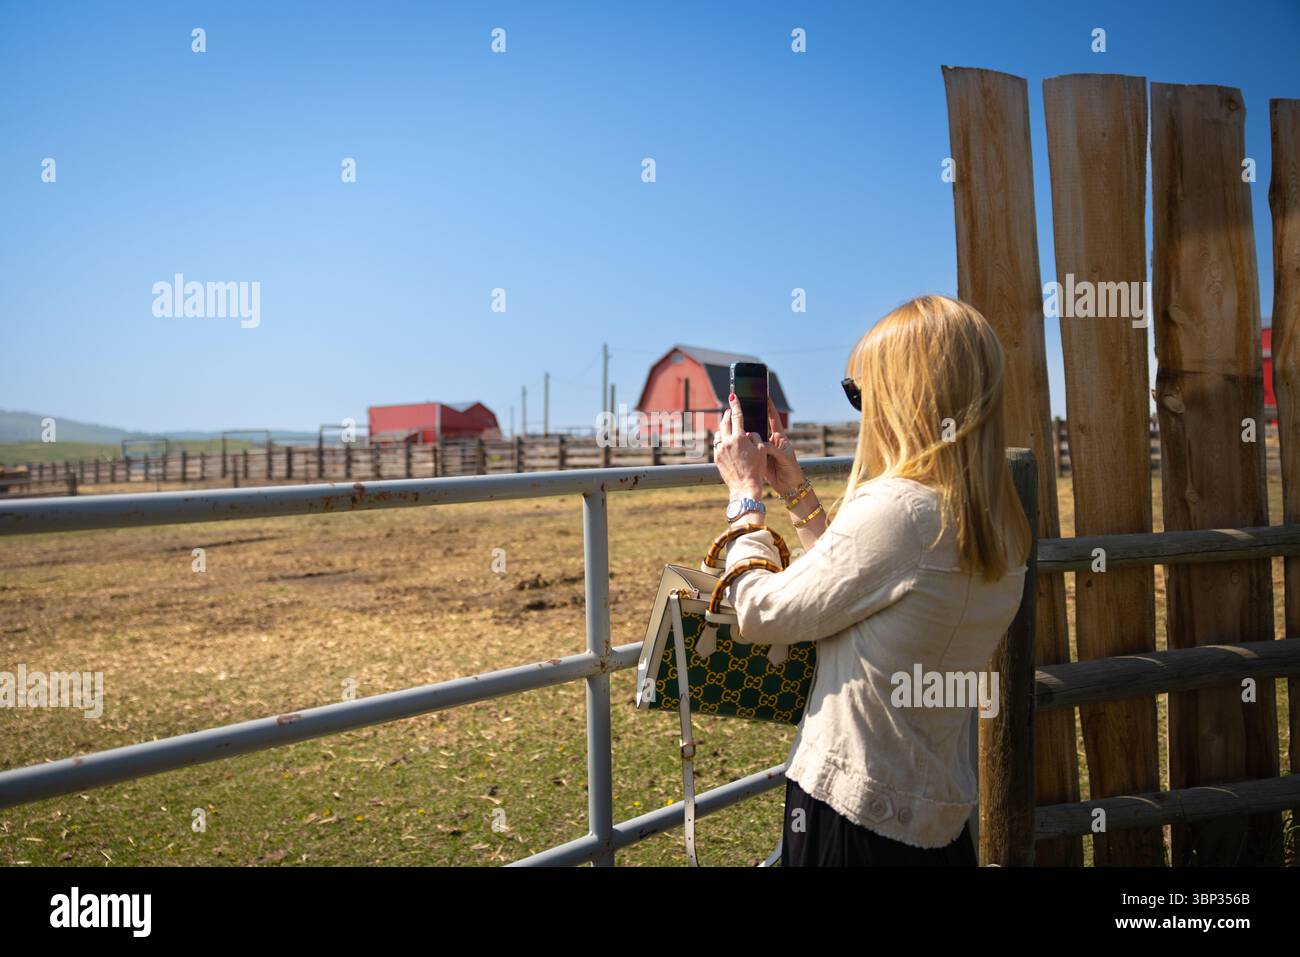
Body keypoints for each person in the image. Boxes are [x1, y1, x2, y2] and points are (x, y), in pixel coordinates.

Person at [712, 294, 1032, 867]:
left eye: (861, 393)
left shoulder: (900, 512)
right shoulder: (994, 523)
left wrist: (745, 501)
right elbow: (868, 591)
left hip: (853, 817)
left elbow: (760, 612)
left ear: (904, 398)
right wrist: (798, 495)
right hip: (934, 817)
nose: (862, 410)